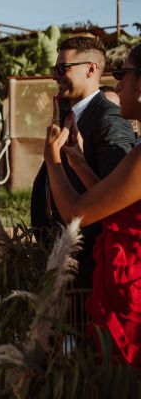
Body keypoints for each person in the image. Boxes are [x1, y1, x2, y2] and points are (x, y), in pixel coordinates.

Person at [44, 44, 141, 366]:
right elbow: (119, 196)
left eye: (122, 74)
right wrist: (80, 163)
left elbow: (81, 213)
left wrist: (53, 159)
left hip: (128, 286)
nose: (118, 85)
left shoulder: (110, 120)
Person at [31, 36, 136, 288]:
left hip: (90, 266)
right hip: (63, 258)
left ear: (91, 69)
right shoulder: (69, 114)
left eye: (62, 68)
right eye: (54, 69)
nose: (55, 76)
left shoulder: (109, 120)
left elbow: (118, 203)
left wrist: (53, 157)